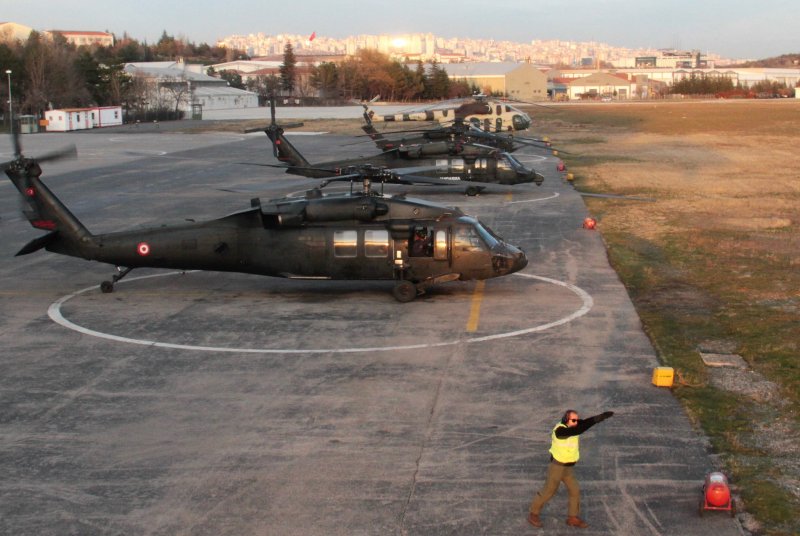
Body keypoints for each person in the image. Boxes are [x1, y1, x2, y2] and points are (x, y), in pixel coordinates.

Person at [527, 409, 614, 529]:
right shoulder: (560, 431)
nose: (576, 422)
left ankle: (572, 518)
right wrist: (592, 421)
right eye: (573, 420)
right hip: (557, 468)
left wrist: (600, 417)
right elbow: (578, 430)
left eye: (576, 419)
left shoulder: (573, 424)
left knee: (575, 490)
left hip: (568, 468)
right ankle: (533, 513)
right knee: (548, 491)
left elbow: (584, 422)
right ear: (566, 420)